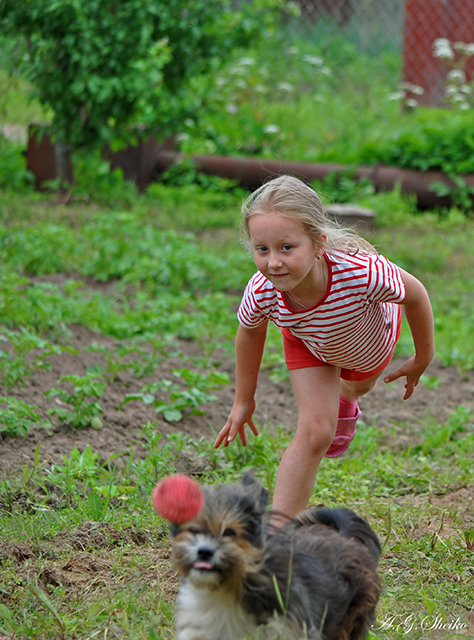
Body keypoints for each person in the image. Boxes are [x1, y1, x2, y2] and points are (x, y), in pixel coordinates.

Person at [214, 174, 434, 520]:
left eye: (287, 247)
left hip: (368, 345)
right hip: (310, 344)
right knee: (316, 432)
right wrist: (244, 399)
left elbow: (416, 294)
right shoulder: (263, 290)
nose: (273, 262)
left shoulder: (362, 274)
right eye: (262, 249)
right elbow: (250, 333)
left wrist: (423, 357)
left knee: (358, 383)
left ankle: (346, 395)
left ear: (318, 243)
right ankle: (278, 532)